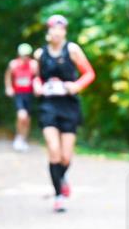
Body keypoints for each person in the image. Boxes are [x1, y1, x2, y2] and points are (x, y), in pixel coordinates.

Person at [33, 15, 95, 213]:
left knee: (66, 157)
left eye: (61, 29)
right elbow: (36, 78)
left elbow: (89, 74)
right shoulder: (40, 53)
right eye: (53, 29)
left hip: (68, 105)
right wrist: (38, 87)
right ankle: (58, 195)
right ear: (48, 32)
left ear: (65, 32)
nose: (57, 33)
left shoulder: (73, 50)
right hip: (48, 105)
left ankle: (62, 177)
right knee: (54, 150)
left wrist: (75, 86)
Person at [4, 43, 39, 152]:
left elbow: (38, 77)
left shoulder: (33, 65)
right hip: (19, 93)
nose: (25, 57)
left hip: (29, 94)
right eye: (23, 55)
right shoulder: (14, 64)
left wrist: (37, 86)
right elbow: (8, 76)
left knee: (27, 119)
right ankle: (18, 137)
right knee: (21, 116)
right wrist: (8, 87)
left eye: (27, 55)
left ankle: (23, 139)